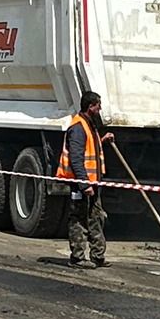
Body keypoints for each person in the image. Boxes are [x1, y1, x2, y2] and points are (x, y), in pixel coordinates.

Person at [56, 91, 107, 269]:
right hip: (82, 185)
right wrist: (84, 184)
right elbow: (76, 159)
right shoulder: (78, 127)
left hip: (93, 183)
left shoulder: (89, 125)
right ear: (90, 106)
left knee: (96, 217)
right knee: (78, 218)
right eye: (98, 105)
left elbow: (89, 150)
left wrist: (103, 140)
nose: (100, 109)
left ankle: (97, 256)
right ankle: (77, 257)